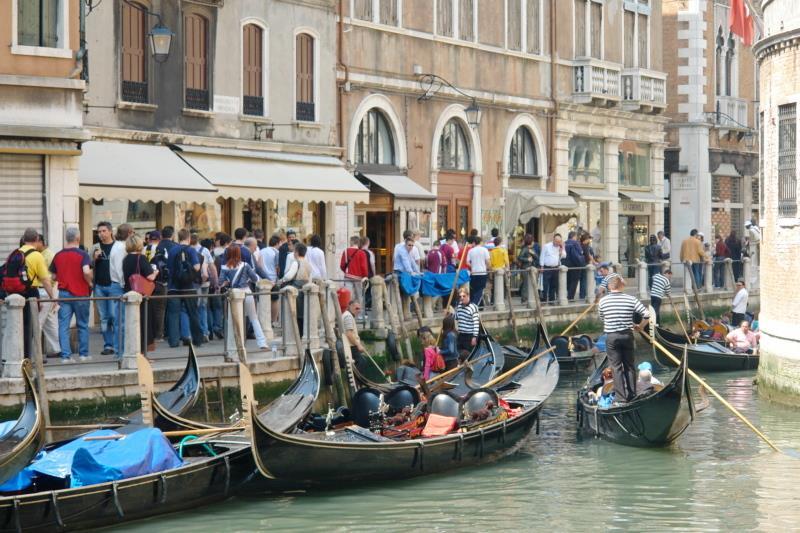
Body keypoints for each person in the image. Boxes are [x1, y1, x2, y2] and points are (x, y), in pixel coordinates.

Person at [597, 276, 650, 405]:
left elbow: (602, 317)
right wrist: (640, 326)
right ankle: (632, 395)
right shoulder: (631, 299)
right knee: (629, 366)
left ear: (610, 287)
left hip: (612, 336)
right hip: (627, 336)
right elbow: (647, 314)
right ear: (621, 286)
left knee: (616, 367)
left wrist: (613, 322)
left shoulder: (602, 301)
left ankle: (620, 398)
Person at [50, 227, 92, 363]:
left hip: (64, 294)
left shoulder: (58, 255)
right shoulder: (83, 254)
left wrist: (63, 277)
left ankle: (66, 356)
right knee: (83, 325)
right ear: (78, 238)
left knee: (63, 326)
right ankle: (83, 355)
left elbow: (54, 276)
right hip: (81, 293)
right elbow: (86, 271)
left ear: (66, 238)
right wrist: (90, 282)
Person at [219, 244, 268, 350]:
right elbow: (255, 278)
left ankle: (234, 344)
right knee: (254, 318)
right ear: (238, 253)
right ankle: (262, 343)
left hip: (233, 294)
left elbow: (220, 281)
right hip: (246, 292)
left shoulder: (224, 267)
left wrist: (228, 281)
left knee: (232, 319)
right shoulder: (245, 265)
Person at [166, 229, 204, 348]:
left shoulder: (172, 250)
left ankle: (173, 341)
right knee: (193, 313)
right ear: (188, 238)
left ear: (178, 237)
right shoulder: (191, 250)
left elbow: (169, 268)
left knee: (173, 314)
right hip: (189, 287)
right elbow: (197, 267)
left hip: (173, 287)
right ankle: (197, 340)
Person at [122, 234, 158, 353]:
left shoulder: (125, 259)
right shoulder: (140, 258)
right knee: (144, 323)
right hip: (141, 294)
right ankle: (143, 353)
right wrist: (156, 271)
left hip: (129, 292)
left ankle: (134, 352)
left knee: (133, 325)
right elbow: (150, 277)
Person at [91, 222, 122, 355]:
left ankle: (117, 346)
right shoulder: (95, 247)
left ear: (110, 231)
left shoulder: (118, 247)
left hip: (113, 286)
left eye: (104, 231)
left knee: (114, 317)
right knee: (104, 318)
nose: (101, 234)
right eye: (99, 232)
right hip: (99, 286)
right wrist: (94, 258)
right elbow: (88, 267)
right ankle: (108, 345)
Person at [279, 242, 312, 333]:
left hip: (296, 288)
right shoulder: (307, 263)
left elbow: (289, 276)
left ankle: (295, 333)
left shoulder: (296, 262)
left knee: (295, 312)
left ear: (296, 252)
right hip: (305, 288)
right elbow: (310, 278)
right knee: (303, 312)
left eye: (294, 251)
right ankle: (302, 333)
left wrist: (281, 280)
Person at [341, 235, 369, 307]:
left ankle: (348, 311)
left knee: (348, 295)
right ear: (358, 243)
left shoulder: (346, 251)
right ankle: (359, 314)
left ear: (351, 242)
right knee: (359, 296)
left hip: (348, 276)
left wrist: (346, 271)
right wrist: (365, 276)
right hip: (358, 278)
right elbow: (364, 267)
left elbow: (342, 265)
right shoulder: (362, 253)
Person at [341, 300, 368, 371]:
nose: (359, 311)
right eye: (357, 308)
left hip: (350, 346)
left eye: (360, 309)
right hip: (350, 347)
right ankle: (356, 380)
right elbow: (349, 334)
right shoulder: (348, 317)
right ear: (350, 306)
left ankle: (357, 380)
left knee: (362, 361)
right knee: (362, 361)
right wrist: (358, 345)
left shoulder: (348, 315)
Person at [540, 233, 565, 304]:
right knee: (545, 284)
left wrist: (562, 249)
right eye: (557, 241)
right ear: (553, 240)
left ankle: (551, 300)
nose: (558, 243)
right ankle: (544, 300)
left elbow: (564, 256)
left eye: (559, 241)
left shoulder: (560, 247)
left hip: (555, 268)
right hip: (547, 267)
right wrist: (541, 266)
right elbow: (542, 256)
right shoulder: (546, 246)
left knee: (553, 285)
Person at [454, 287, 480, 356]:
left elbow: (476, 323)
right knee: (459, 353)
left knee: (469, 354)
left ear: (468, 296)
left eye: (463, 296)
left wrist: (474, 337)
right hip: (461, 335)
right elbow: (456, 317)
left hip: (470, 335)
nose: (461, 298)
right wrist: (449, 313)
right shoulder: (459, 306)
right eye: (460, 296)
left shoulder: (473, 307)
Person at [467, 236, 491, 307]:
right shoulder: (484, 250)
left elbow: (467, 262)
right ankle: (474, 305)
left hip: (474, 272)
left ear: (474, 242)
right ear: (480, 242)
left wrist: (473, 266)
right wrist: (487, 268)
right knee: (480, 289)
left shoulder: (471, 250)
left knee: (475, 289)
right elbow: (488, 261)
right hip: (482, 272)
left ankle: (480, 306)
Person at [564, 231, 585, 301]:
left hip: (566, 265)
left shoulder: (565, 243)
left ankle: (567, 294)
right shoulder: (576, 243)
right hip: (575, 264)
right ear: (574, 236)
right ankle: (570, 297)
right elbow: (581, 252)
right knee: (574, 281)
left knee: (568, 280)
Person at [517, 234, 536, 304]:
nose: (534, 242)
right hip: (525, 268)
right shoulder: (524, 249)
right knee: (526, 284)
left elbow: (537, 257)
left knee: (528, 284)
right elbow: (519, 257)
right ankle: (524, 299)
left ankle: (528, 298)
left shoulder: (531, 249)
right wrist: (527, 259)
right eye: (533, 241)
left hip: (530, 268)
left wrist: (533, 254)